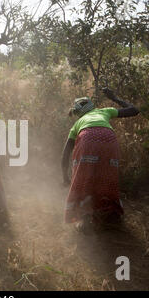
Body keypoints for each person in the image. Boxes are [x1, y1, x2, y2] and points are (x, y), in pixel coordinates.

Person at [61, 88, 139, 231]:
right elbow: (134, 110)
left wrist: (65, 177)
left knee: (83, 177)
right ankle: (110, 215)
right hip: (110, 139)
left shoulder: (77, 124)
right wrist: (114, 97)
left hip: (87, 139)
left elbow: (66, 153)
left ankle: (84, 219)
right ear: (92, 106)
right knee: (107, 176)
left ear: (77, 113)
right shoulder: (103, 111)